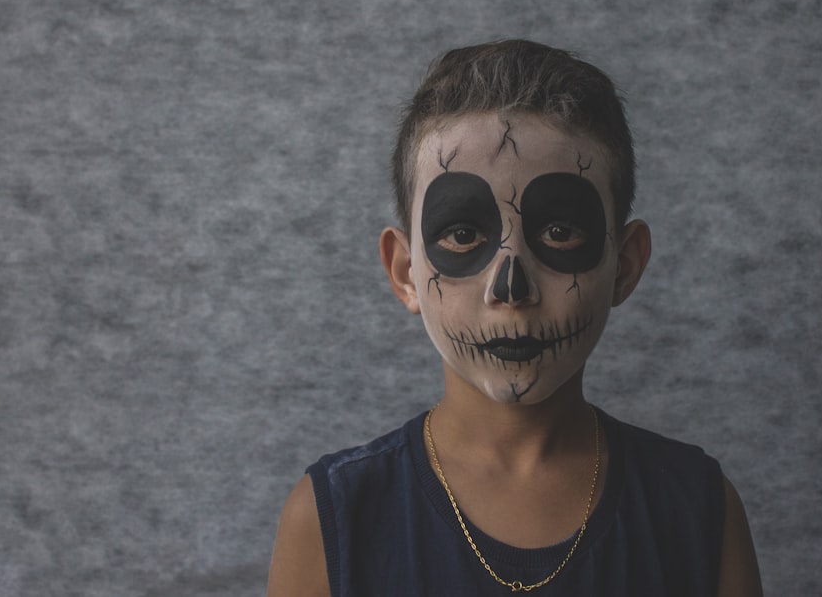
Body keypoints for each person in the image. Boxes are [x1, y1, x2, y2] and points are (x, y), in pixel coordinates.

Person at [267, 40, 762, 596]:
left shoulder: (697, 509)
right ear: (406, 270)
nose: (512, 287)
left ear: (624, 265)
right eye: (462, 234)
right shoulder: (332, 516)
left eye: (559, 232)